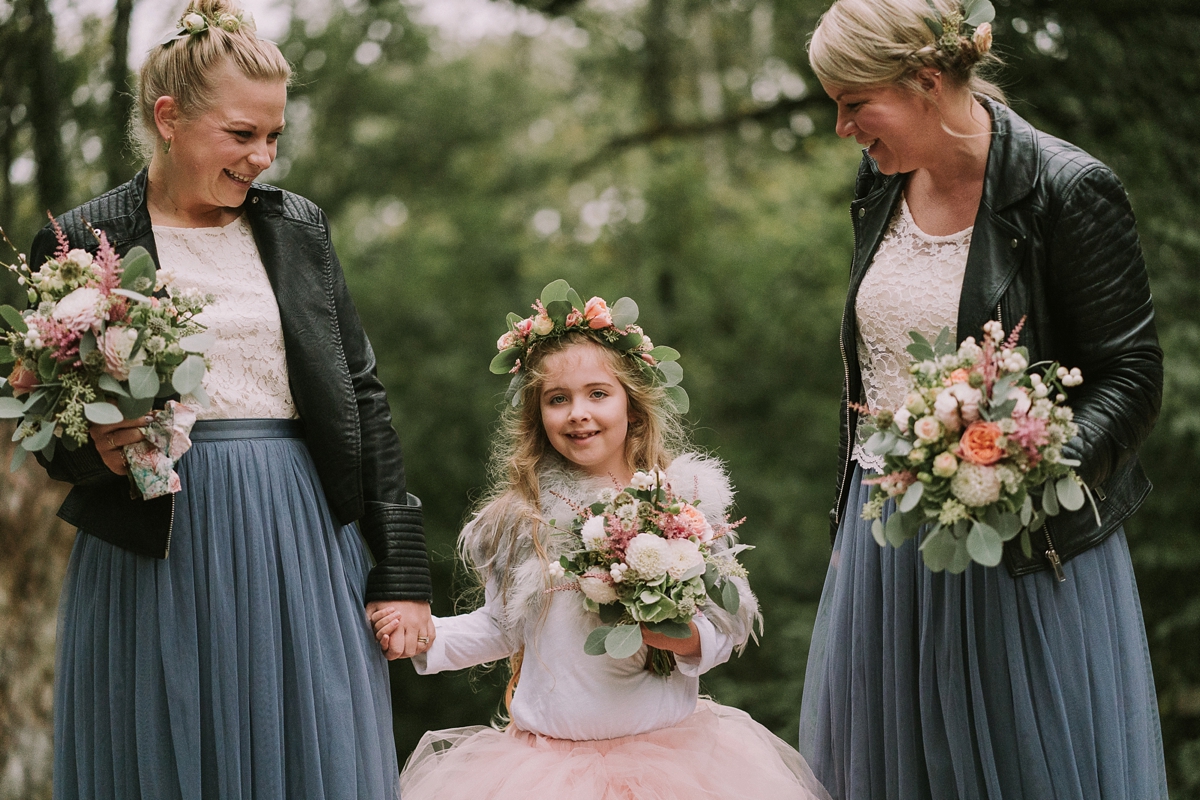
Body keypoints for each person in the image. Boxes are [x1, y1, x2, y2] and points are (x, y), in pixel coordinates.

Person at [27, 2, 434, 797]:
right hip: (155, 542)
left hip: (303, 533)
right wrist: (92, 450)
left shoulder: (299, 230)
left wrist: (402, 570)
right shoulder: (79, 242)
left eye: (274, 135)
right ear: (170, 118)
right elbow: (51, 429)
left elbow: (362, 396)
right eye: (242, 134)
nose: (263, 158)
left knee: (314, 749)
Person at [797, 1, 1168, 798]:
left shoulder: (1067, 189)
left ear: (927, 81)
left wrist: (1025, 469)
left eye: (854, 103)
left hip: (1020, 543)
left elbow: (1132, 374)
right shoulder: (879, 181)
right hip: (881, 540)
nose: (844, 129)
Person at [370, 288, 831, 800]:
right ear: (537, 416)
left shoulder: (681, 504)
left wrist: (679, 636)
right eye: (557, 399)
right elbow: (501, 626)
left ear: (632, 405)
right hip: (543, 773)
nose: (578, 413)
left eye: (597, 393)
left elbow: (729, 619)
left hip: (670, 764)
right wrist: (422, 635)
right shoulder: (522, 518)